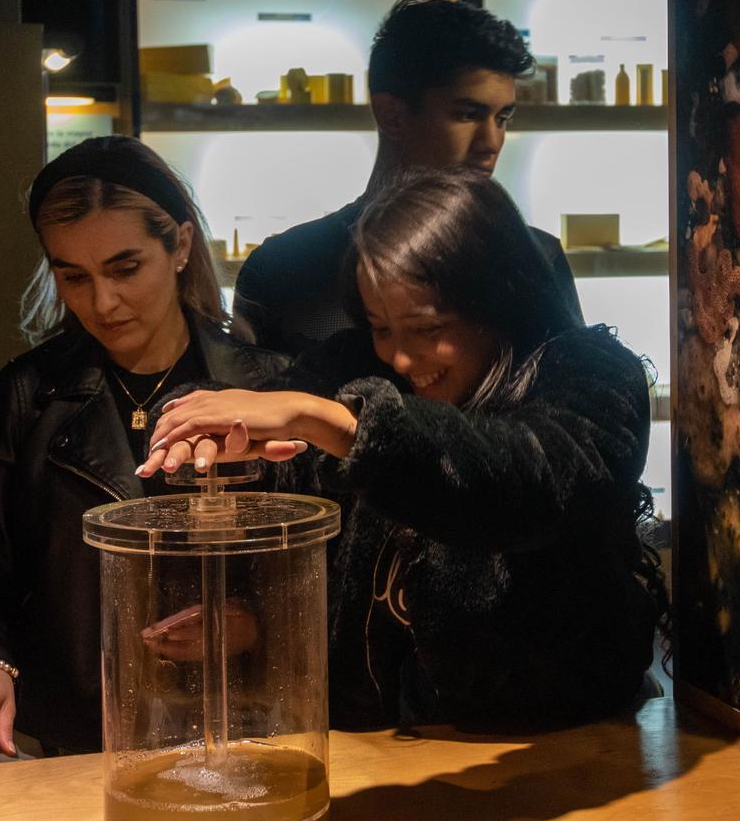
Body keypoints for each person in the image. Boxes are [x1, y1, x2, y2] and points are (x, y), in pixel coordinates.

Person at [142, 168, 664, 730]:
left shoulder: (591, 372)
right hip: (382, 739)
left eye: (426, 327)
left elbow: (531, 478)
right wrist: (204, 426)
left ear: (496, 298)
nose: (401, 360)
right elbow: (262, 409)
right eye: (382, 329)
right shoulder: (359, 362)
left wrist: (341, 424)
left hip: (554, 741)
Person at [0, 137, 283, 772]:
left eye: (124, 268)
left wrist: (255, 622)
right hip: (76, 738)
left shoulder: (263, 389)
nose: (102, 304)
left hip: (245, 726)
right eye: (73, 277)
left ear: (181, 247)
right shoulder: (27, 395)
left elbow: (323, 570)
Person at [231, 0, 581, 355]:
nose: (491, 143)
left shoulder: (537, 257)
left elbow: (585, 404)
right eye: (467, 114)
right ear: (392, 116)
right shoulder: (284, 271)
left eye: (502, 118)